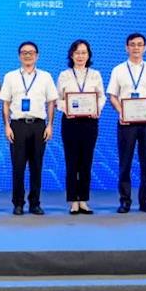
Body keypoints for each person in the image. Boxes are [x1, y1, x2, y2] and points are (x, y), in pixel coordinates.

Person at [108, 33, 146, 214]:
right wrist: (121, 112)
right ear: (126, 47)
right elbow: (112, 96)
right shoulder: (118, 70)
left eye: (140, 44)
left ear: (145, 48)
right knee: (125, 162)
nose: (136, 48)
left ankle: (145, 201)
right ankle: (125, 201)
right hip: (126, 123)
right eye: (132, 44)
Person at [0, 41, 58, 215]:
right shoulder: (10, 76)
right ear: (19, 56)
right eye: (24, 52)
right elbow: (5, 103)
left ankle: (35, 203)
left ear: (37, 56)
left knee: (36, 166)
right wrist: (7, 126)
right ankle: (18, 203)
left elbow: (51, 102)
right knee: (18, 167)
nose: (27, 55)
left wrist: (50, 125)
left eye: (31, 52)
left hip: (39, 126)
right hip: (18, 126)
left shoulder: (46, 77)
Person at [55, 39, 105, 214]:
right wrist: (66, 109)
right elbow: (58, 99)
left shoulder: (95, 75)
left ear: (89, 55)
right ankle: (73, 201)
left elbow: (101, 97)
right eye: (77, 53)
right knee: (71, 161)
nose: (80, 56)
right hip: (70, 122)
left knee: (86, 161)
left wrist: (97, 108)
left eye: (84, 53)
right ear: (71, 55)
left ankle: (83, 199)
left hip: (90, 122)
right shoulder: (64, 75)